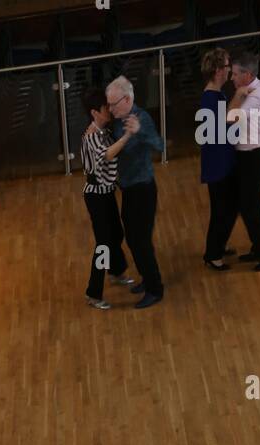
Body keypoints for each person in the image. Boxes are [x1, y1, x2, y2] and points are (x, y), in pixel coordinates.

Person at [105, 76, 164, 309]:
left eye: (113, 104)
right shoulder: (119, 120)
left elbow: (159, 145)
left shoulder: (142, 118)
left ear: (127, 99)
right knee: (133, 238)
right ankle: (147, 279)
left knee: (141, 242)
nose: (110, 109)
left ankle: (155, 288)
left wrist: (139, 132)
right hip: (128, 188)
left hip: (143, 189)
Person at [80, 88, 134, 309]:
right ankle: (94, 293)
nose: (109, 111)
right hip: (96, 198)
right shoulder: (92, 137)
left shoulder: (103, 132)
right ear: (95, 113)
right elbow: (108, 154)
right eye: (105, 109)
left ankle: (115, 271)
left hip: (107, 193)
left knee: (116, 234)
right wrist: (129, 135)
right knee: (103, 244)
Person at [227, 52, 260, 271]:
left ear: (247, 75)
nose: (232, 78)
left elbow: (230, 117)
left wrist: (238, 95)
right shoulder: (250, 90)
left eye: (235, 74)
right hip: (246, 155)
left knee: (251, 207)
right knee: (248, 206)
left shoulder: (255, 95)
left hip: (254, 157)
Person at [198, 48, 239, 271]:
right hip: (218, 162)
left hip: (222, 159)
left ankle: (218, 245)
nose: (228, 70)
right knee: (222, 209)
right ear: (216, 71)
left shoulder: (216, 95)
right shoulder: (210, 98)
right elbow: (219, 127)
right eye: (225, 66)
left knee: (227, 207)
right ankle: (213, 254)